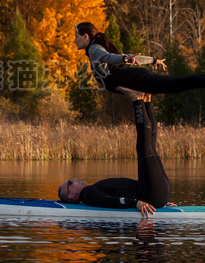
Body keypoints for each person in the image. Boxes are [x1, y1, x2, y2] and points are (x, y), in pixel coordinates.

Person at [58, 87, 175, 217]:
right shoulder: (87, 194)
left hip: (155, 194)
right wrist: (135, 203)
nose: (74, 179)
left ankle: (146, 100)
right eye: (70, 183)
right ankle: (138, 100)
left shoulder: (90, 194)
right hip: (151, 194)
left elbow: (111, 198)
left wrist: (159, 201)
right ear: (71, 194)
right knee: (146, 146)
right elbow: (109, 201)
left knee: (149, 146)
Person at [74, 21, 205, 95]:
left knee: (182, 83)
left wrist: (124, 58)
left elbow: (109, 57)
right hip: (134, 77)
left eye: (76, 36)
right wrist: (153, 60)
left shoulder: (94, 50)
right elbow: (121, 58)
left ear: (86, 37)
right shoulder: (97, 47)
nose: (74, 40)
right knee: (181, 83)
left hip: (133, 79)